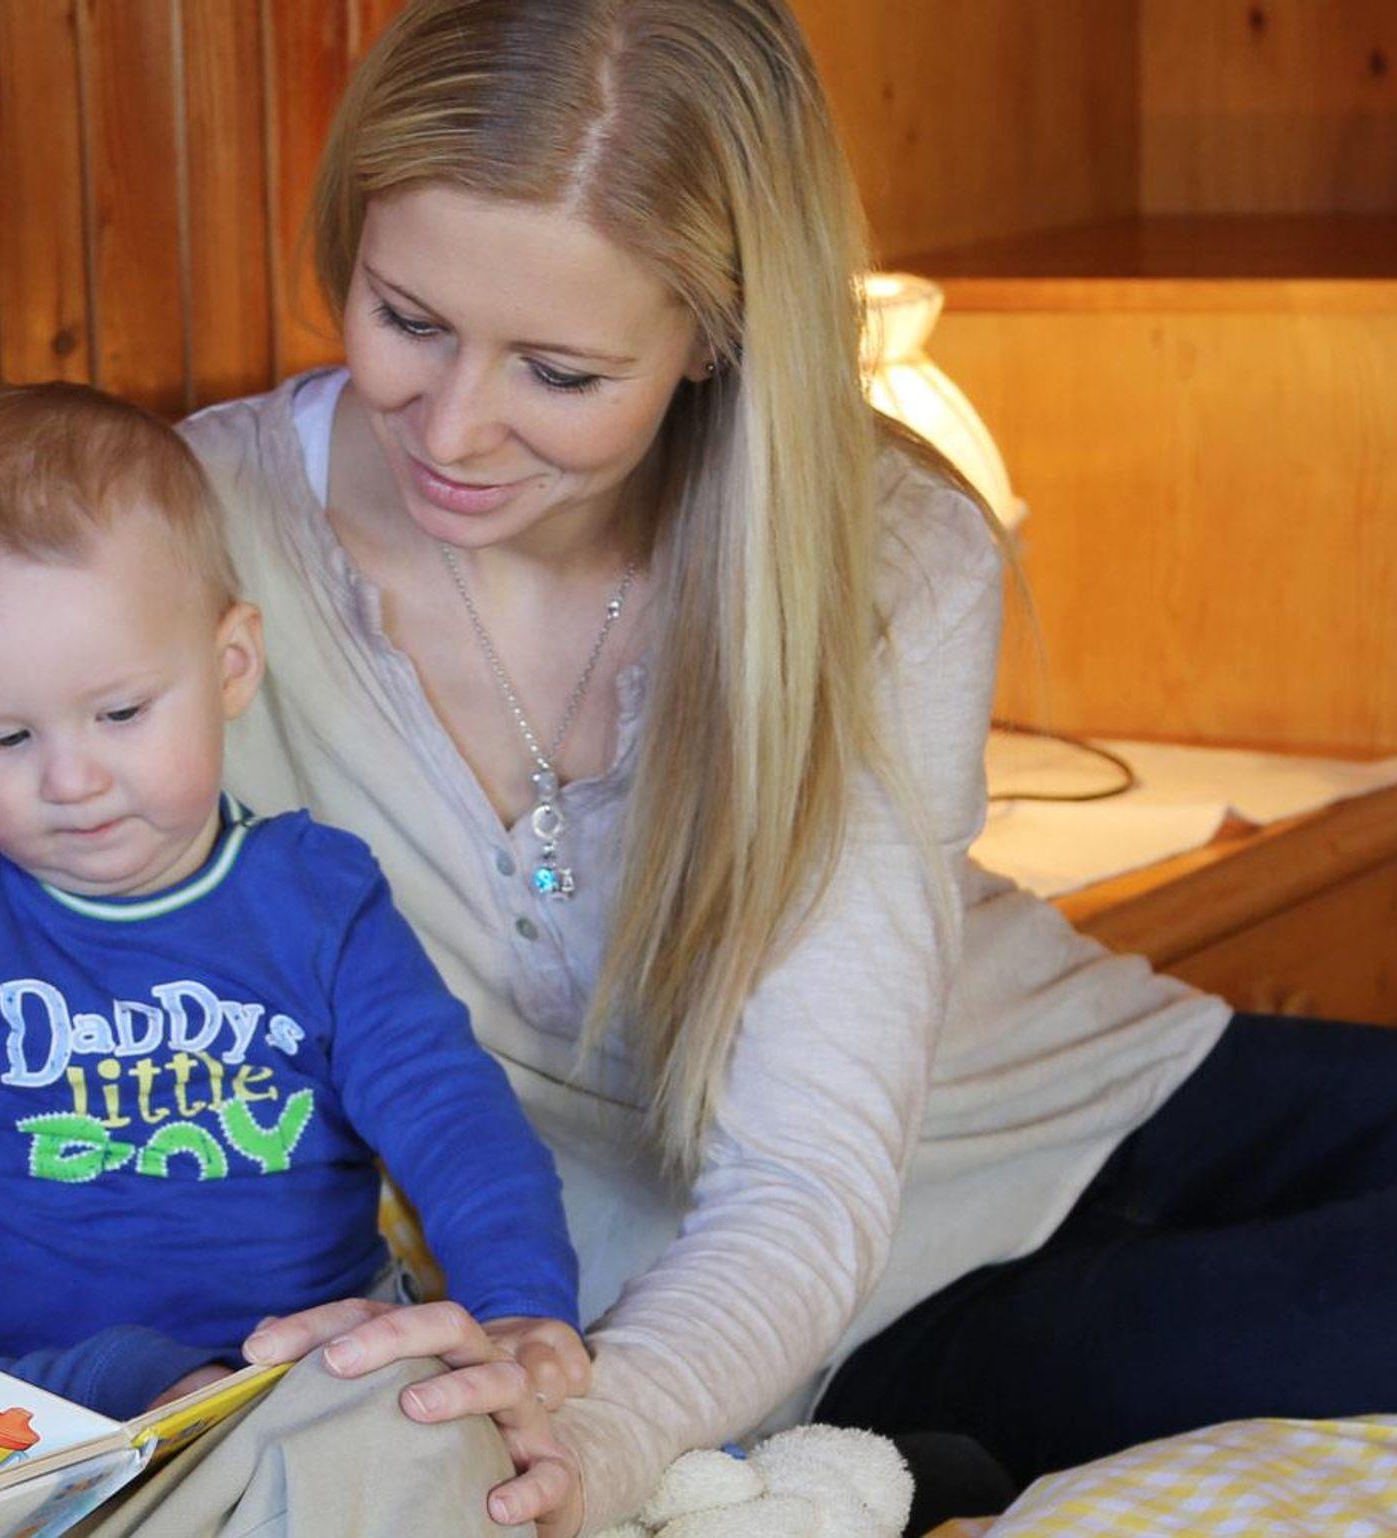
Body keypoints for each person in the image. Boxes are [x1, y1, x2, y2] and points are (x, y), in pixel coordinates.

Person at [145, 1, 1397, 1533]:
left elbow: (815, 1154)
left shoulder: (887, 547)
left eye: (558, 372)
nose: (454, 429)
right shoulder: (182, 540)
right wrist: (600, 1429)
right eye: (407, 319)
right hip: (834, 1312)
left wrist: (607, 1435)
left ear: (715, 335)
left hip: (1109, 1096)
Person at [0, 383, 585, 1441]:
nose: (70, 779)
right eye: (4, 738)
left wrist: (518, 1301)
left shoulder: (315, 900)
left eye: (121, 713)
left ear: (230, 667)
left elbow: (451, 1116)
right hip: (44, 1402)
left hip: (313, 1369)